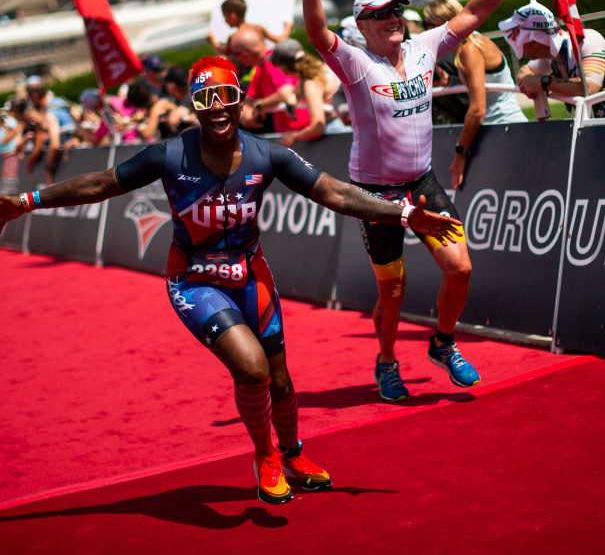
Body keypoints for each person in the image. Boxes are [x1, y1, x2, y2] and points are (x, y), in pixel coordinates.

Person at [0, 55, 462, 505]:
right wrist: (25, 200)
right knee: (252, 369)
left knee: (281, 384)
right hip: (193, 279)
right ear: (194, 106)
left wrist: (403, 214)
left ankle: (293, 454)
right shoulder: (168, 155)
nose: (217, 107)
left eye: (226, 97)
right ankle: (265, 458)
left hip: (250, 273)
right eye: (207, 99)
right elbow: (99, 184)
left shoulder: (268, 154)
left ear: (241, 102)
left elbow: (335, 192)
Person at [294, 0, 534, 401]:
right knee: (393, 292)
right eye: (380, 14)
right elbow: (319, 34)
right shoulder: (358, 63)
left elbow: (470, 13)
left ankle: (443, 344)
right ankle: (386, 363)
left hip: (421, 182)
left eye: (397, 10)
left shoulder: (423, 48)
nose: (393, 18)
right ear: (362, 25)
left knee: (460, 269)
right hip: (375, 195)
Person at [422, 0, 527, 190]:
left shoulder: (469, 49)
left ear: (447, 23)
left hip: (505, 128)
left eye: (430, 25)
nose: (427, 31)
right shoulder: (465, 43)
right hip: (497, 130)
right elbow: (481, 82)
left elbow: (478, 109)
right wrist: (451, 81)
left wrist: (460, 151)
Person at [502, 0, 605, 118]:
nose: (518, 48)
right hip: (601, 131)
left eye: (517, 39)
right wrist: (530, 82)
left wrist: (543, 81)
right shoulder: (551, 56)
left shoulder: (586, 41)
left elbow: (589, 87)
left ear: (534, 41)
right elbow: (524, 71)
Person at [269, 39, 351, 147]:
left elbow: (317, 128)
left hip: (337, 129)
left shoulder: (311, 83)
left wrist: (294, 136)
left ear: (284, 67)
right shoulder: (320, 68)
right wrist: (290, 102)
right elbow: (295, 93)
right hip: (348, 125)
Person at [230, 28, 310, 135]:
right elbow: (249, 99)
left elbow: (285, 92)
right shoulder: (260, 68)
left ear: (245, 55)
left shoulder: (271, 62)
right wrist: (246, 111)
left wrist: (258, 107)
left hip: (303, 132)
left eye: (234, 54)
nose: (233, 58)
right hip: (293, 135)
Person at [25, 83, 77, 184]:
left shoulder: (50, 113)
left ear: (34, 96)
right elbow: (77, 120)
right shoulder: (60, 101)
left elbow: (55, 145)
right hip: (75, 150)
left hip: (66, 160)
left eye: (29, 99)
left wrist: (48, 168)